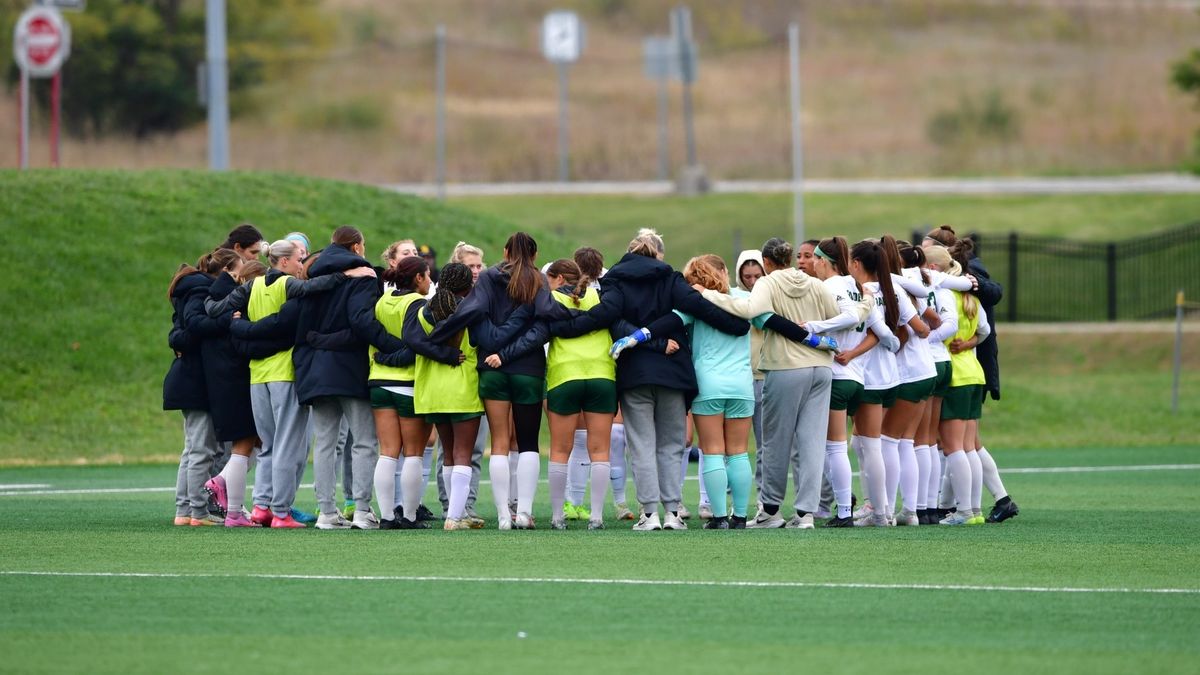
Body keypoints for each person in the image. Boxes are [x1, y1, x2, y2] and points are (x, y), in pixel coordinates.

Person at [552, 228, 748, 531]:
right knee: (671, 445)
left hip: (635, 373)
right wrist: (736, 325)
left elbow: (610, 318)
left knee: (641, 445)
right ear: (656, 254)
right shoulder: (670, 277)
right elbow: (697, 307)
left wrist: (567, 327)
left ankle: (649, 514)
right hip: (673, 371)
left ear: (630, 253)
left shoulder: (615, 280)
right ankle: (672, 512)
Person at [205, 240, 371, 528]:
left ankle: (260, 506)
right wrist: (347, 275)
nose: (301, 266)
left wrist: (227, 315)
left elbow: (214, 307)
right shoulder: (287, 286)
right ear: (283, 263)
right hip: (284, 372)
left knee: (268, 446)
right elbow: (312, 287)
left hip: (258, 375)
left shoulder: (251, 287)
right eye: (298, 259)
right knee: (286, 446)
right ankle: (281, 512)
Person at [698, 238, 851, 529]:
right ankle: (807, 514)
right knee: (811, 442)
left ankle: (770, 510)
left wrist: (707, 295)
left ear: (766, 263)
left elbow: (748, 310)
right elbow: (841, 317)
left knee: (774, 442)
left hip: (786, 367)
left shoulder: (768, 283)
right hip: (821, 366)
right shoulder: (814, 283)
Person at [426, 233, 569, 530]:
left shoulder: (489, 277)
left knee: (499, 442)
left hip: (491, 370)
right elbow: (546, 316)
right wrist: (577, 314)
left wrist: (489, 342)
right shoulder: (538, 280)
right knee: (528, 443)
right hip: (528, 369)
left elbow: (475, 311)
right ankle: (525, 513)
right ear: (534, 253)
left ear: (504, 252)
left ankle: (504, 515)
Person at [293, 227, 392, 530]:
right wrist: (394, 344)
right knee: (363, 441)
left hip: (314, 368)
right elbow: (362, 322)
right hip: (350, 366)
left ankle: (326, 512)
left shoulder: (311, 273)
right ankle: (362, 510)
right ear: (357, 246)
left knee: (324, 442)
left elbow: (301, 323)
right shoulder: (362, 276)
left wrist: (319, 343)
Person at [802, 237, 883, 527]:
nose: (811, 264)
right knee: (844, 446)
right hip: (858, 376)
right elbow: (878, 329)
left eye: (815, 259)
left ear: (825, 261)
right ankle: (851, 504)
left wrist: (814, 327)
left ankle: (845, 510)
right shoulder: (854, 284)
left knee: (834, 447)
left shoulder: (832, 285)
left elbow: (850, 316)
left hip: (838, 376)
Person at [537, 259, 616, 530]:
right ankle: (596, 516)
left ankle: (558, 516)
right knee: (600, 450)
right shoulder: (601, 296)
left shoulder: (551, 300)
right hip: (601, 375)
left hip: (564, 375)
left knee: (560, 449)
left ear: (558, 279)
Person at [405, 263, 482, 531]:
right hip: (462, 388)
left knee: (447, 453)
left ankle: (453, 511)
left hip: (431, 390)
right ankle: (455, 516)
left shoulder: (425, 310)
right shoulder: (471, 311)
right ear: (467, 285)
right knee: (464, 453)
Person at [836, 240, 905, 527]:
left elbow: (880, 334)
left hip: (872, 377)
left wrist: (851, 353)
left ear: (855, 264)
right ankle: (878, 507)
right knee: (864, 443)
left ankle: (880, 511)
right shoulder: (891, 289)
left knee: (870, 445)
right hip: (889, 375)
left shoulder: (867, 293)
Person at [165, 251, 236, 526]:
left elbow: (180, 334)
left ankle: (185, 510)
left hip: (190, 380)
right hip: (196, 382)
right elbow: (191, 329)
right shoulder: (200, 291)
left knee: (195, 449)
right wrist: (225, 321)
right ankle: (196, 511)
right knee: (201, 450)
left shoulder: (192, 289)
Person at [368, 256, 431, 529]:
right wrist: (392, 359)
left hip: (379, 382)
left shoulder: (383, 300)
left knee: (388, 452)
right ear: (418, 278)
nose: (430, 281)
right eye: (428, 276)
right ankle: (409, 515)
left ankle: (386, 517)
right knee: (414, 453)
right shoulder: (416, 303)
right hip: (408, 384)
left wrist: (382, 359)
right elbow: (414, 346)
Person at [878, 237, 932, 526]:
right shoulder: (909, 284)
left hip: (910, 373)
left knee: (888, 440)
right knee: (906, 442)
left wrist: (891, 340)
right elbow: (931, 322)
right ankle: (910, 510)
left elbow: (920, 329)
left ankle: (886, 509)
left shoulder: (893, 288)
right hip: (925, 370)